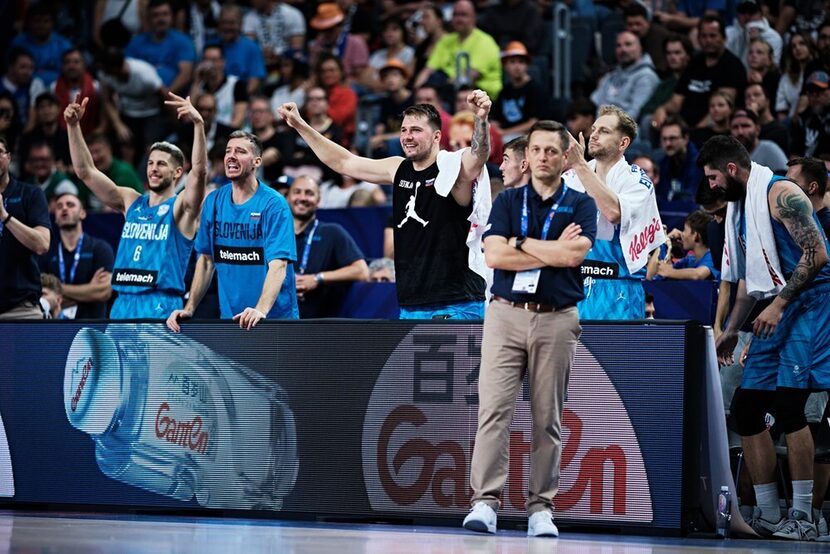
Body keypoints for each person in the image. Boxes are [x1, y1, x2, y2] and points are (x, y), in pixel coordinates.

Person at [463, 120, 597, 537]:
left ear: (563, 157)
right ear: (528, 156)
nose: (542, 157)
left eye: (551, 151)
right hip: (505, 313)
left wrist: (520, 244)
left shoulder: (580, 204)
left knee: (547, 417)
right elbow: (495, 256)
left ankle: (541, 507)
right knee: (494, 411)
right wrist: (546, 249)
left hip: (557, 316)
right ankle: (485, 502)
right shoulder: (507, 202)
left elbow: (574, 256)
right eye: (536, 150)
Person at [704, 135, 830, 541]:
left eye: (712, 178)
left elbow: (818, 255)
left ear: (732, 170)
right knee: (747, 408)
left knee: (791, 407)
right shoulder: (741, 208)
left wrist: (777, 307)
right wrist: (730, 331)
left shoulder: (781, 193)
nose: (711, 188)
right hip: (777, 305)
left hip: (811, 304)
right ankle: (770, 513)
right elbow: (747, 283)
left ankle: (804, 517)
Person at [279, 91, 493, 319]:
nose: (407, 136)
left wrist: (481, 119)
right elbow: (344, 161)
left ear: (437, 136)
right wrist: (300, 125)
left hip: (456, 302)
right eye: (404, 130)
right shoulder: (397, 168)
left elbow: (478, 155)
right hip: (411, 303)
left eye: (416, 130)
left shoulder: (452, 170)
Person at [66, 92, 206, 319]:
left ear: (178, 172)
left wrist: (198, 125)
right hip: (122, 302)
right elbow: (85, 172)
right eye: (151, 163)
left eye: (161, 164)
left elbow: (199, 174)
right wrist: (73, 127)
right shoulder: (131, 200)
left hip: (160, 302)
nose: (153, 168)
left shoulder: (181, 208)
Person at [167, 131, 299, 330]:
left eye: (240, 151)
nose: (231, 156)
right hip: (231, 320)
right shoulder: (213, 201)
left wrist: (260, 310)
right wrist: (190, 307)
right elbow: (206, 261)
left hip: (274, 320)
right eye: (228, 151)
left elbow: (278, 265)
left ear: (257, 161)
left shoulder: (274, 204)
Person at [563, 105, 665, 319]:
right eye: (594, 129)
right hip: (573, 287)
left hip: (618, 289)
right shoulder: (572, 177)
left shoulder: (637, 180)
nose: (594, 135)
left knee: (615, 354)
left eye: (604, 131)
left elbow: (613, 212)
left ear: (623, 143)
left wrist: (580, 166)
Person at [288, 175, 369, 318]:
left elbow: (362, 271)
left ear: (319, 201)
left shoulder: (332, 232)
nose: (302, 198)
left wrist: (318, 278)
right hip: (280, 321)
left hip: (320, 324)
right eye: (297, 192)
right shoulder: (275, 233)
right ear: (288, 197)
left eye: (309, 193)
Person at [39, 190, 113, 319]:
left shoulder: (100, 249)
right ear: (55, 217)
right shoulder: (46, 251)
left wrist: (57, 290)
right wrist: (89, 290)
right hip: (55, 330)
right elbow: (42, 296)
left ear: (82, 213)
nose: (64, 209)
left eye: (70, 205)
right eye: (59, 206)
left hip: (91, 329)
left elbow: (103, 292)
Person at [0, 137, 51, 319]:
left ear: (9, 157)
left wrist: (5, 217)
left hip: (20, 308)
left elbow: (43, 244)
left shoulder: (30, 194)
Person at [415, 0, 502, 99]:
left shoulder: (485, 42)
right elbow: (427, 70)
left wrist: (437, 88)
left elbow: (467, 78)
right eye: (455, 15)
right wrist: (417, 91)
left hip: (482, 97)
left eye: (463, 15)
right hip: (449, 91)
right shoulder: (446, 41)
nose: (458, 19)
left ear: (474, 17)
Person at [125, 0, 197, 95]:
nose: (161, 19)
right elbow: (128, 72)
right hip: (141, 97)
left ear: (171, 16)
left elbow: (185, 75)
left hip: (173, 98)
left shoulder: (183, 41)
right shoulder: (136, 43)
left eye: (165, 14)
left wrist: (165, 95)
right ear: (149, 18)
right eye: (156, 15)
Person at [590, 31, 660, 121]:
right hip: (600, 128)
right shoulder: (610, 76)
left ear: (640, 47)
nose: (623, 49)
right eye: (618, 46)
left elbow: (634, 114)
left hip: (626, 130)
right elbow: (593, 104)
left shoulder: (646, 76)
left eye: (628, 44)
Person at [647, 209, 719, 280]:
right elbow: (651, 274)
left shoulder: (712, 257)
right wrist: (664, 242)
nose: (682, 234)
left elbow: (698, 274)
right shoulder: (689, 260)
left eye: (684, 230)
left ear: (696, 235)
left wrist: (669, 272)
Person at [730, 108, 788, 172]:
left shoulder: (770, 149)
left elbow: (785, 178)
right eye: (735, 127)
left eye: (745, 126)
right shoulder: (728, 154)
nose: (740, 132)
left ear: (757, 129)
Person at [787, 157, 830, 235]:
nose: (784, 187)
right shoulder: (792, 222)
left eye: (792, 183)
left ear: (812, 188)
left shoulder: (826, 227)